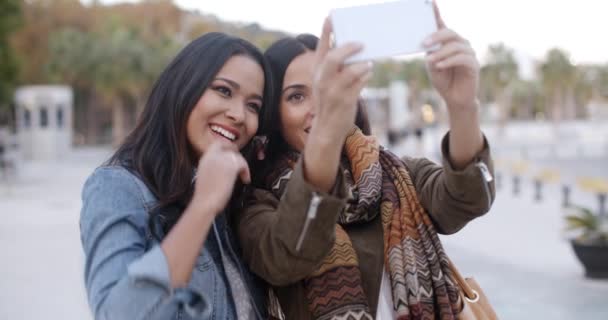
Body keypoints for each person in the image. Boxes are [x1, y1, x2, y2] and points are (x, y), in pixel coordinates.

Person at [237, 5, 496, 320]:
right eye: (297, 96)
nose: (320, 105)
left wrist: (462, 105)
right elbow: (288, 253)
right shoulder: (256, 204)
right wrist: (328, 137)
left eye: (326, 88)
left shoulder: (395, 173)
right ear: (272, 117)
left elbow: (467, 200)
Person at [80, 32, 273, 320]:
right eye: (223, 90)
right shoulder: (117, 187)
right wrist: (203, 207)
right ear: (184, 86)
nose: (239, 115)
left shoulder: (229, 192)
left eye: (253, 105)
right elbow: (116, 314)